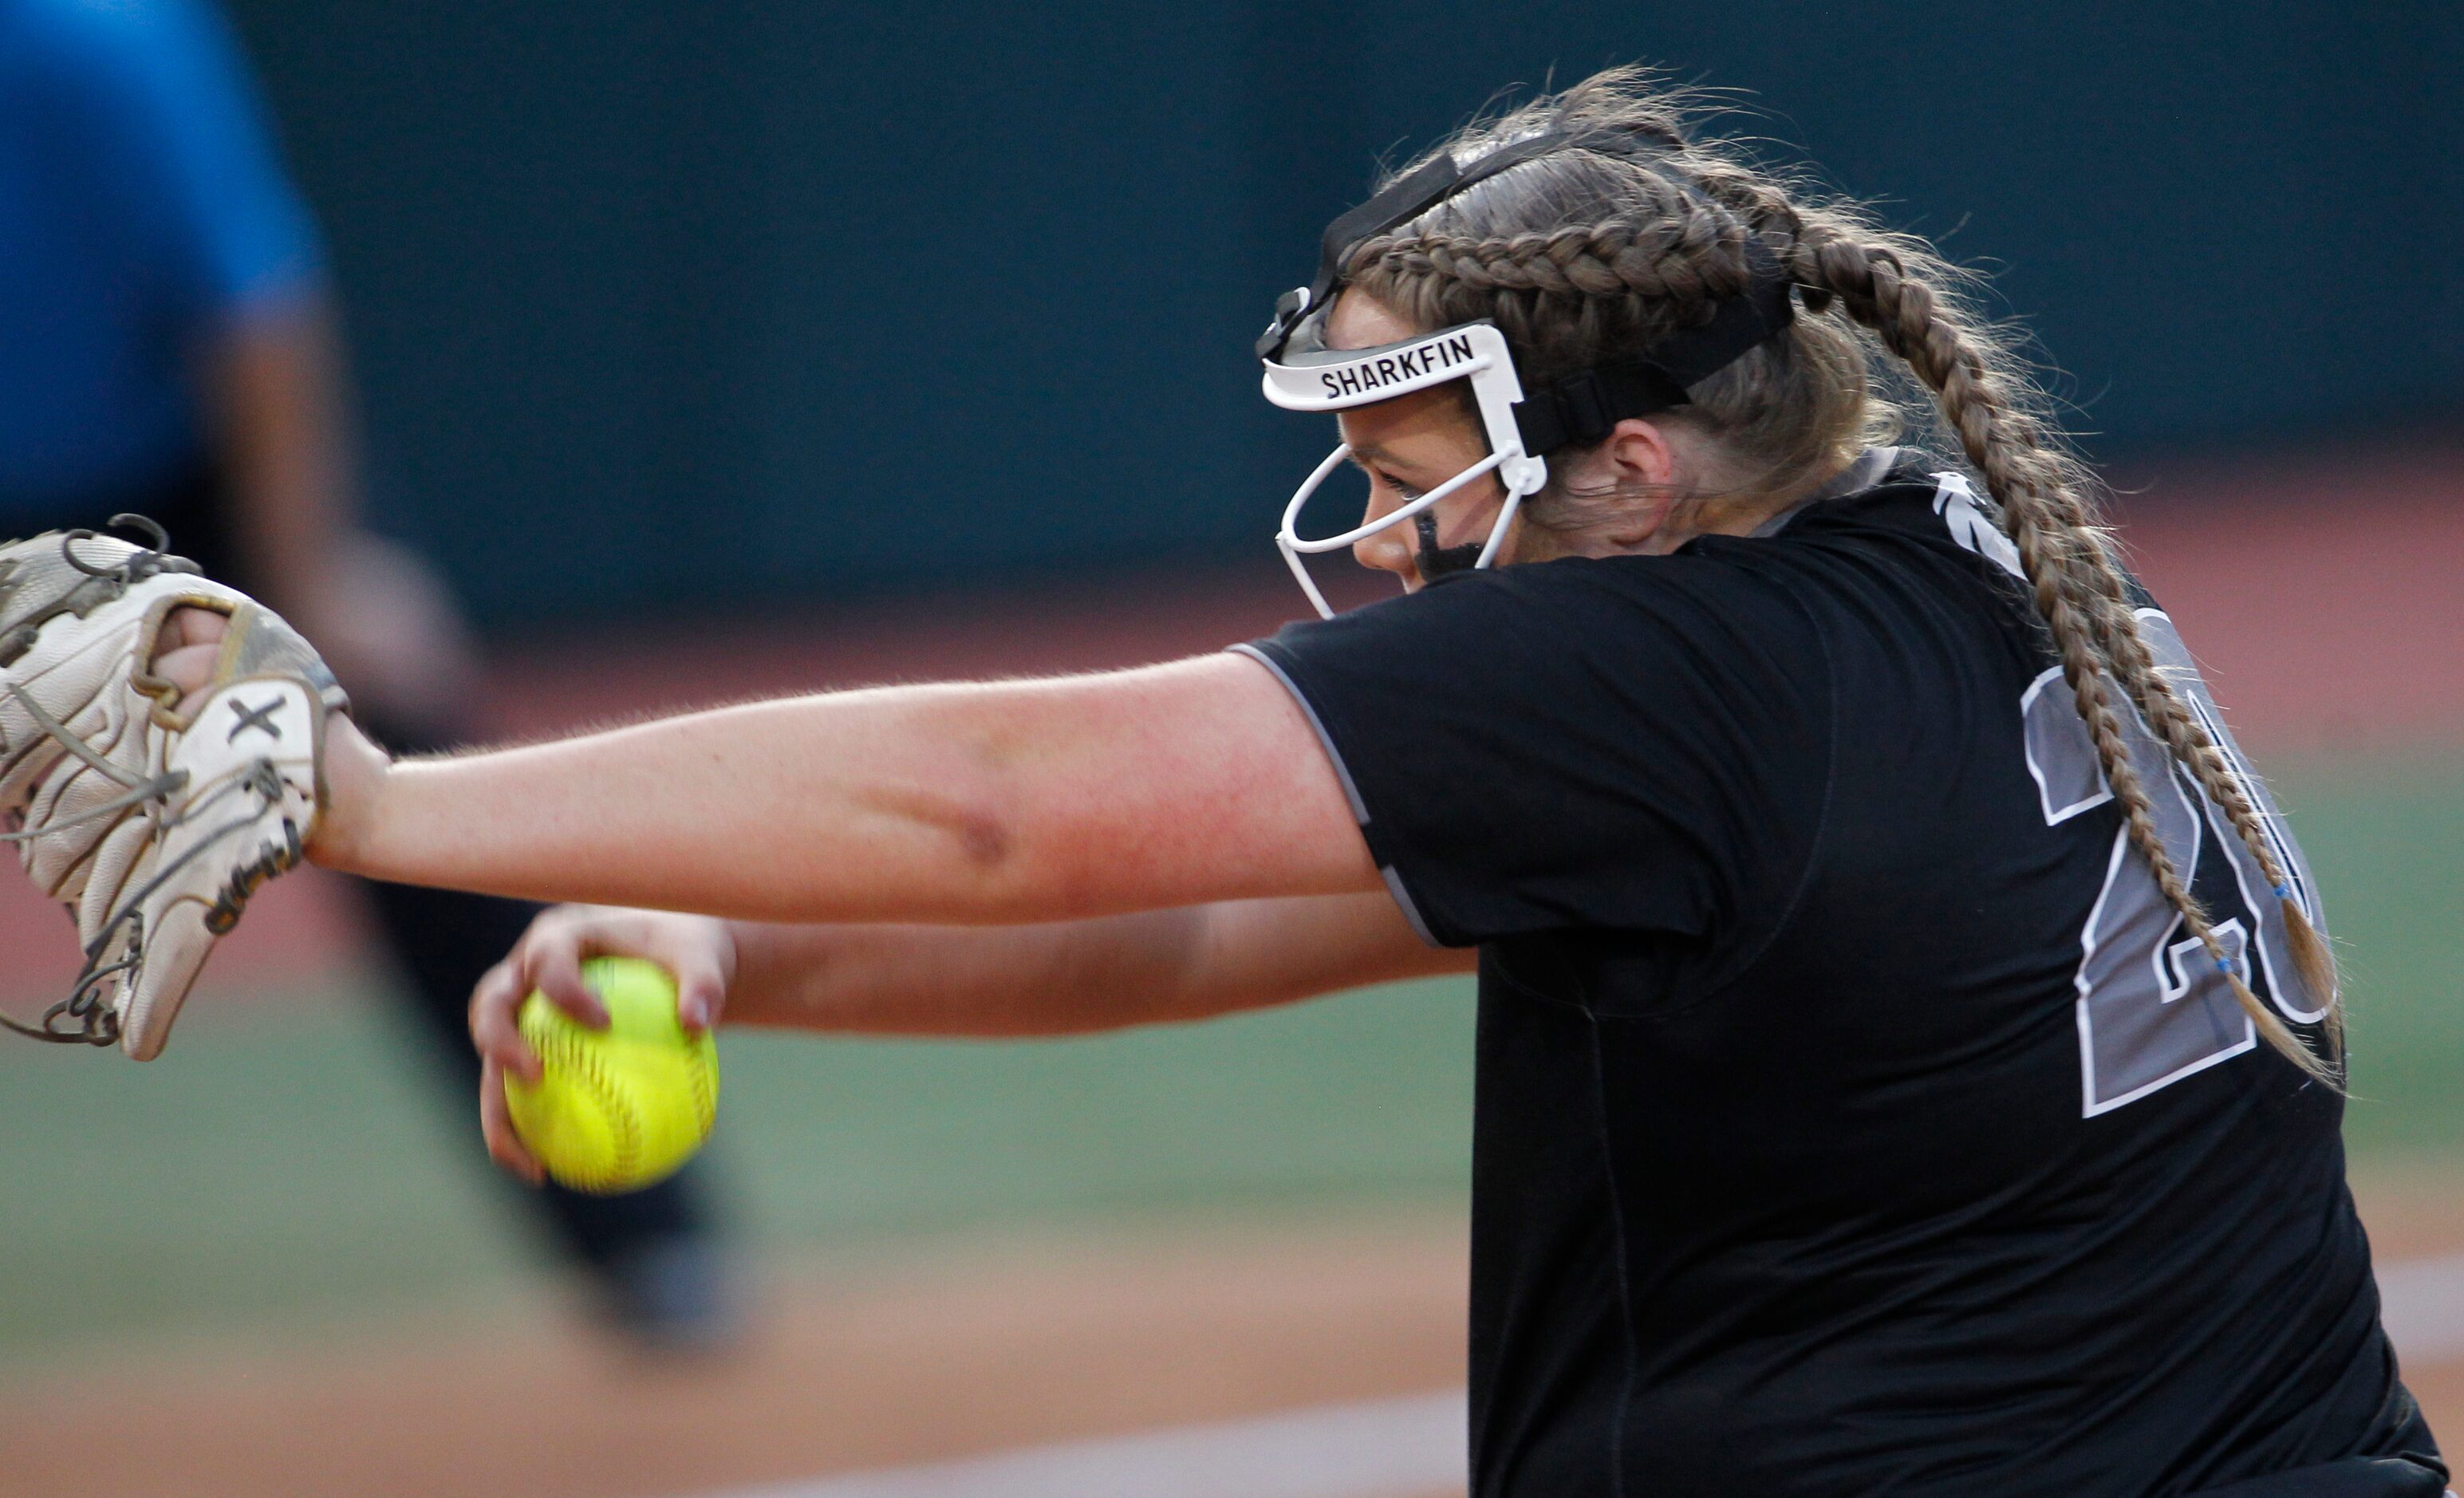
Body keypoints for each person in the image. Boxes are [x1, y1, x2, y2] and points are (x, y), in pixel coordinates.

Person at [24, 68, 2444, 1494]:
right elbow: (1205, 908)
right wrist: (744, 942)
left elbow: (1014, 797)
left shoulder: (1656, 665)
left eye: (1412, 463)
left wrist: (367, 801)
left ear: (1621, 461)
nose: (1381, 530)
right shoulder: (1921, 566)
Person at [0, 0, 732, 1349]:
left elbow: (257, 305)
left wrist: (314, 573)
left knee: (401, 763)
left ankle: (645, 1236)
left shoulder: (88, 44)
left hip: (183, 475)